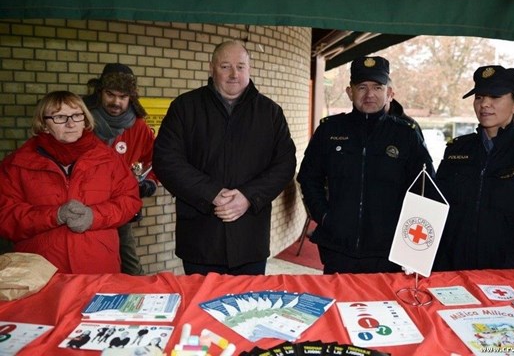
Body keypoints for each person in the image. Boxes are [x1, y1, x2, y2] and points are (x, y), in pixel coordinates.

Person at [153, 40, 296, 275]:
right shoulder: (185, 107)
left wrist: (248, 197)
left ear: (249, 69)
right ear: (211, 68)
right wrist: (211, 193)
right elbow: (166, 160)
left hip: (249, 239)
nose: (233, 74)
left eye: (240, 67)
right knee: (200, 308)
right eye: (225, 66)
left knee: (248, 306)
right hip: (200, 239)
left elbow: (285, 164)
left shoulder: (270, 113)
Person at [297, 56, 435, 274]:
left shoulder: (406, 135)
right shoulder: (330, 130)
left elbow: (426, 190)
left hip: (388, 253)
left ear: (389, 93)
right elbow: (308, 177)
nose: (369, 94)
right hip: (338, 249)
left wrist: (413, 248)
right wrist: (323, 216)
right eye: (362, 87)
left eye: (377, 87)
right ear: (350, 92)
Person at [433, 65, 514, 271]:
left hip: (506, 280)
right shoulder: (456, 151)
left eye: (495, 97)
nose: (484, 104)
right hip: (451, 274)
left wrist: (505, 278)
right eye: (479, 97)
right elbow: (436, 211)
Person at [0, 91, 141, 274]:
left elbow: (130, 201)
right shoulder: (16, 165)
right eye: (60, 117)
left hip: (99, 269)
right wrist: (54, 215)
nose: (71, 123)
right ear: (43, 124)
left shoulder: (109, 159)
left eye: (76, 115)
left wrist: (94, 216)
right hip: (43, 274)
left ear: (85, 119)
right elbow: (5, 216)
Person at [85, 63, 157, 275]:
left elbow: (152, 159)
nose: (116, 102)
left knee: (131, 266)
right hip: (85, 207)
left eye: (123, 96)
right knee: (92, 264)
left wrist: (149, 182)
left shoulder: (139, 126)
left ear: (131, 98)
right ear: (100, 92)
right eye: (110, 94)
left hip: (119, 209)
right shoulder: (82, 120)